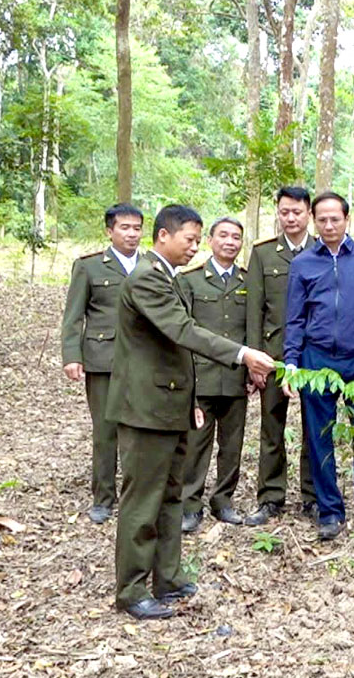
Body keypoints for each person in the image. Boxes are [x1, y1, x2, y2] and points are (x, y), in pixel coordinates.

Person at [107, 205, 276, 619]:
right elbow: (183, 332)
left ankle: (167, 576)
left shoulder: (167, 277)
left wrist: (189, 402)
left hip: (170, 404)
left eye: (199, 240)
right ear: (163, 236)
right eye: (190, 239)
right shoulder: (148, 279)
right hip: (146, 409)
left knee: (170, 496)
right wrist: (243, 353)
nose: (195, 247)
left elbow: (177, 349)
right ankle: (131, 590)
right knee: (142, 501)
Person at [281, 191, 354, 542]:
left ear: (348, 219)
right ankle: (330, 512)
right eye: (322, 219)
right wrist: (291, 361)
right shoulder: (303, 263)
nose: (329, 225)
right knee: (320, 439)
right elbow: (295, 318)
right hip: (316, 360)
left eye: (336, 218)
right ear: (314, 222)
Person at [61, 203, 143, 524]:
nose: (131, 234)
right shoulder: (90, 267)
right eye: (124, 227)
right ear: (110, 231)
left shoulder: (151, 265)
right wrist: (72, 356)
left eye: (137, 228)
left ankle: (135, 496)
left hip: (143, 361)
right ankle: (103, 498)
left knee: (138, 430)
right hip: (102, 360)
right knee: (105, 431)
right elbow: (73, 317)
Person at [244, 187, 319, 526]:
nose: (291, 218)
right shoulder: (263, 254)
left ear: (308, 214)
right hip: (272, 355)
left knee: (315, 428)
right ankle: (270, 497)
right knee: (271, 428)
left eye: (297, 212)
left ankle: (314, 496)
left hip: (314, 355)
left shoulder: (322, 250)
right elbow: (254, 310)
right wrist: (253, 360)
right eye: (285, 212)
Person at [176, 217, 251, 532]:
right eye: (223, 235)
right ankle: (190, 505)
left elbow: (252, 330)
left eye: (236, 237)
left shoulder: (249, 281)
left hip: (235, 377)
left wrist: (251, 370)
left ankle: (223, 501)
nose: (230, 242)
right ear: (210, 240)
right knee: (196, 445)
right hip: (201, 378)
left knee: (232, 445)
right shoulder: (190, 280)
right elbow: (181, 330)